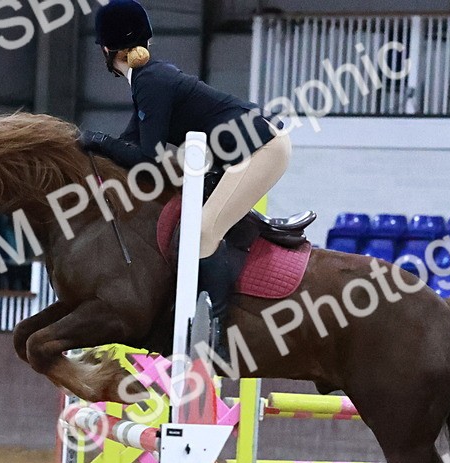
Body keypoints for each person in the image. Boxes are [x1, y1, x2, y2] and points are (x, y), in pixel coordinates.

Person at [78, 0, 292, 328]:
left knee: (203, 233)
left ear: (107, 49)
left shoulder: (149, 81)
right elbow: (128, 145)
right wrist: (92, 150)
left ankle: (221, 332)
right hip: (245, 150)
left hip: (261, 149)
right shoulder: (147, 79)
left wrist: (97, 141)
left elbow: (147, 157)